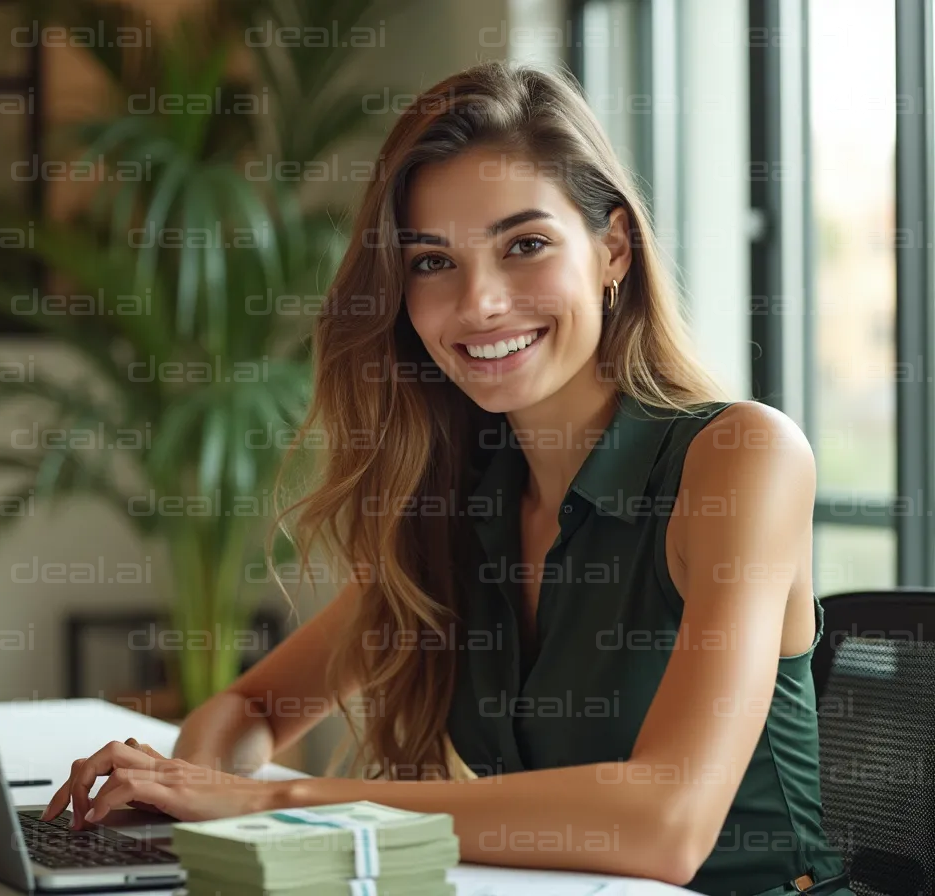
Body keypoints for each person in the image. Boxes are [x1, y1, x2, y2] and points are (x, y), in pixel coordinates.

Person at [42, 60, 854, 895]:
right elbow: (249, 709)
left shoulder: (742, 459)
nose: (480, 304)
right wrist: (191, 803)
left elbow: (666, 825)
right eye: (433, 263)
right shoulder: (466, 501)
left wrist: (269, 800)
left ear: (613, 249)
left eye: (525, 246)